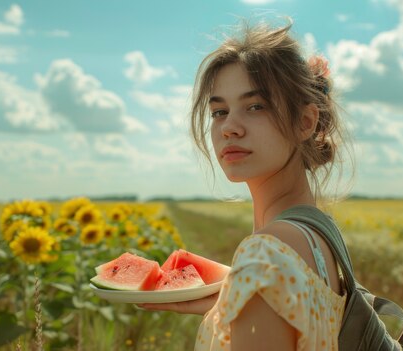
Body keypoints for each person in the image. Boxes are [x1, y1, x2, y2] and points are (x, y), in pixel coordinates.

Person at [139, 18, 354, 350]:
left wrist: (253, 276)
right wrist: (235, 291)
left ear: (306, 122)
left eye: (256, 106)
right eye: (219, 111)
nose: (229, 128)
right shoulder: (318, 235)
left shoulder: (267, 251)